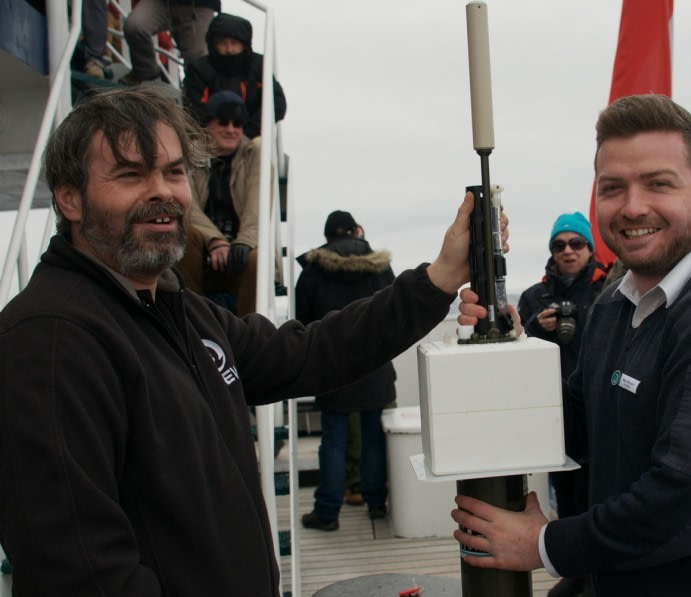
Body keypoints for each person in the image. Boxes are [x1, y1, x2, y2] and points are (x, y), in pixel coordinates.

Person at [0, 86, 495, 595]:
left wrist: (437, 279)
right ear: (68, 198)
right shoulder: (49, 341)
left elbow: (306, 353)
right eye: (130, 174)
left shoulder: (183, 312)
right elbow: (80, 571)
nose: (163, 191)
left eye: (173, 171)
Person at [453, 94, 691, 595]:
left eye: (659, 184)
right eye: (613, 188)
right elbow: (577, 424)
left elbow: (685, 504)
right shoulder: (617, 305)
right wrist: (511, 344)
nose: (633, 206)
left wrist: (544, 545)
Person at [516, 211, 609, 597]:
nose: (568, 251)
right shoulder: (534, 298)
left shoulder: (612, 290)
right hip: (557, 412)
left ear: (589, 247)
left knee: (603, 493)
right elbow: (517, 350)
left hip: (602, 406)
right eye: (559, 245)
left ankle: (600, 576)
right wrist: (537, 327)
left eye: (576, 243)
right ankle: (576, 573)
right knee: (566, 491)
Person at [295, 211, 396, 530]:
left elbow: (302, 322)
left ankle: (327, 513)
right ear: (355, 232)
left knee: (334, 441)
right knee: (373, 439)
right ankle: (377, 504)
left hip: (332, 366)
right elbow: (394, 311)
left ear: (327, 237)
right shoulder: (380, 266)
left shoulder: (312, 271)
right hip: (375, 365)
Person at [175, 90, 259, 316]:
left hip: (239, 249)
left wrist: (244, 242)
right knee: (184, 234)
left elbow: (257, 208)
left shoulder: (255, 155)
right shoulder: (185, 155)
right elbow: (185, 204)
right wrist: (215, 240)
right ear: (206, 124)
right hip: (202, 249)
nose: (231, 129)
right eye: (223, 122)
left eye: (238, 123)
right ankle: (192, 321)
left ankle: (252, 334)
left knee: (255, 259)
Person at [182, 12, 287, 139]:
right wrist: (217, 131)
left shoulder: (259, 67)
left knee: (259, 147)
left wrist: (244, 132)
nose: (229, 49)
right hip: (208, 140)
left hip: (250, 138)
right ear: (213, 44)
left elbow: (277, 104)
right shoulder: (198, 69)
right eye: (223, 43)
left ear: (244, 45)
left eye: (234, 43)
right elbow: (192, 108)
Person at [120, 0, 220, 86]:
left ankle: (192, 102)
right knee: (135, 27)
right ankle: (146, 77)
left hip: (199, 6)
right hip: (161, 3)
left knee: (197, 62)